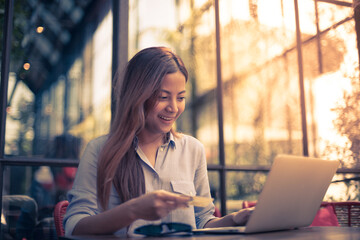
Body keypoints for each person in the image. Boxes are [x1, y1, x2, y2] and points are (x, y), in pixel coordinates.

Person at [63, 46, 253, 236]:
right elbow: (74, 227)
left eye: (181, 98)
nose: (173, 108)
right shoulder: (99, 150)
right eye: (163, 97)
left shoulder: (193, 149)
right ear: (138, 96)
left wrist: (234, 219)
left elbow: (202, 221)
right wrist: (133, 210)